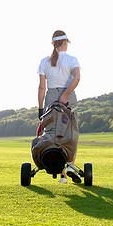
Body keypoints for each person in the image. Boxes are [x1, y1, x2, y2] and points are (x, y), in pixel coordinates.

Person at [37, 30, 81, 184]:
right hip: (68, 97)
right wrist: (66, 94)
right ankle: (70, 166)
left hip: (51, 97)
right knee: (71, 131)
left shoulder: (44, 61)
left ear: (53, 44)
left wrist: (41, 109)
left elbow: (42, 88)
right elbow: (77, 78)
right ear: (64, 43)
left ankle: (62, 173)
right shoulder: (72, 59)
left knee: (53, 132)